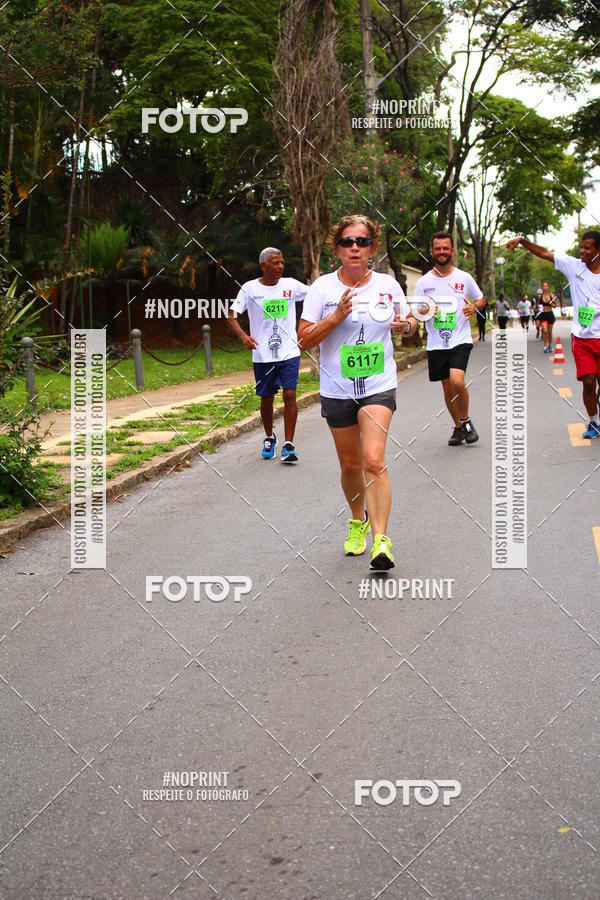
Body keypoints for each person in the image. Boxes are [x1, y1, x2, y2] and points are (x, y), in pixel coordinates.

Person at [297, 214, 416, 570]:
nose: (354, 247)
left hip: (378, 385)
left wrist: (406, 325)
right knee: (350, 464)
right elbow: (303, 339)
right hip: (337, 388)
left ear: (372, 248)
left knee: (373, 460)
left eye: (361, 242)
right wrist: (335, 317)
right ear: (336, 248)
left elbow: (410, 322)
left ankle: (381, 542)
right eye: (347, 241)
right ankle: (357, 519)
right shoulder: (322, 289)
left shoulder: (388, 285)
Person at [506, 232, 600, 438]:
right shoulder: (574, 266)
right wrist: (522, 241)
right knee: (589, 381)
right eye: (581, 247)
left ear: (598, 251)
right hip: (582, 337)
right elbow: (544, 253)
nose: (582, 251)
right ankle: (594, 422)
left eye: (587, 248)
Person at [229, 247, 307, 461]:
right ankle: (269, 437)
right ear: (263, 266)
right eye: (275, 263)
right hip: (262, 354)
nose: (280, 266)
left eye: (282, 262)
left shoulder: (291, 285)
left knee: (290, 394)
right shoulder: (250, 289)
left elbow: (316, 296)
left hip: (289, 352)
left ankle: (289, 444)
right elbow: (231, 316)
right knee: (266, 398)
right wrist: (244, 337)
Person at [414, 231, 486, 446]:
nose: (442, 252)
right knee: (447, 387)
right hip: (436, 342)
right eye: (438, 248)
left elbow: (481, 298)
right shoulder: (424, 282)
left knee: (456, 380)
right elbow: (416, 310)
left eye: (445, 248)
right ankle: (458, 427)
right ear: (432, 251)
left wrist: (474, 306)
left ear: (452, 251)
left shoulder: (464, 278)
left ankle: (466, 421)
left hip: (460, 339)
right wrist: (425, 310)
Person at [538, 279, 557, 353]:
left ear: (548, 287)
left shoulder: (551, 295)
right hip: (543, 315)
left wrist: (550, 303)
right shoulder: (540, 296)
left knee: (549, 332)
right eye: (543, 286)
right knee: (545, 331)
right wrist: (538, 307)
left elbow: (555, 306)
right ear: (542, 287)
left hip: (550, 315)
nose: (545, 287)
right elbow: (538, 305)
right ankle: (545, 346)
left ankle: (550, 346)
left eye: (546, 286)